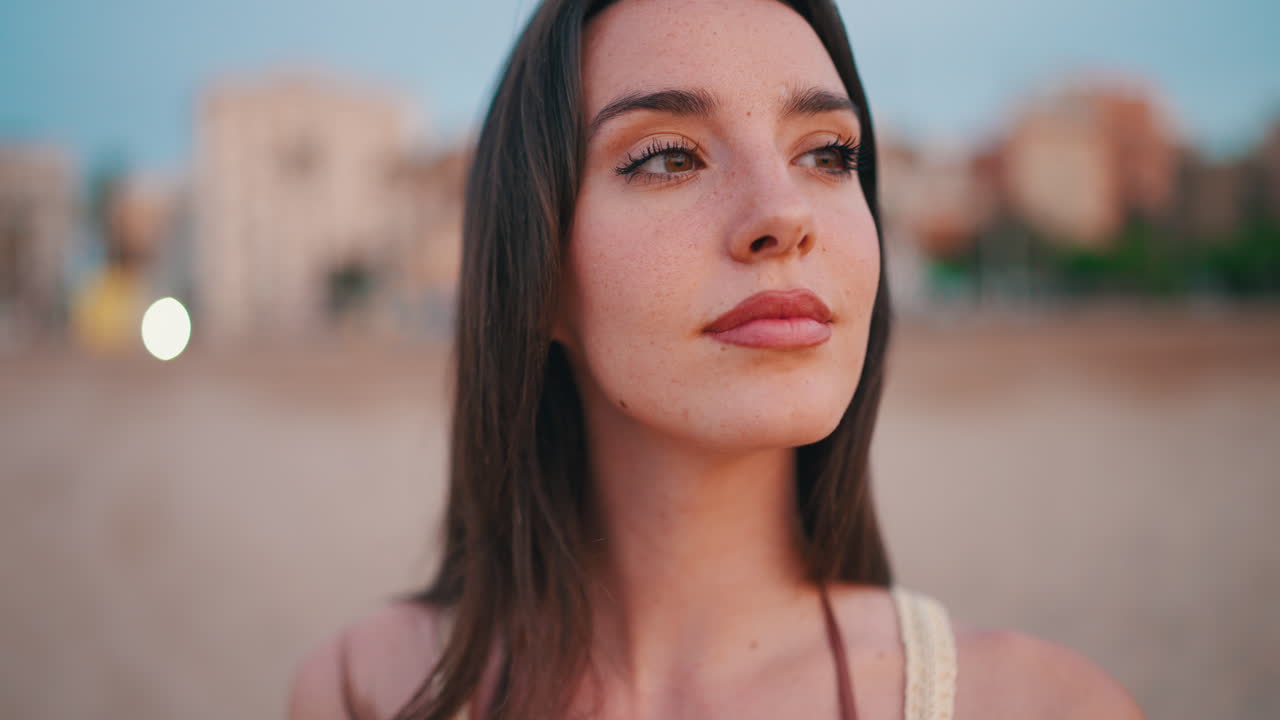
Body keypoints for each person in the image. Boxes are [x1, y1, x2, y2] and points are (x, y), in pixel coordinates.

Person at [289, 1, 1145, 718]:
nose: (784, 212)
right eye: (669, 156)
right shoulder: (367, 691)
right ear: (537, 268)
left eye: (827, 153)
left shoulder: (1039, 705)